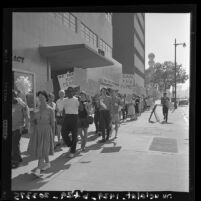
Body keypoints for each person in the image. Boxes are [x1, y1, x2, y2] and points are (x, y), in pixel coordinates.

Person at [27, 91, 55, 176]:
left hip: (46, 131)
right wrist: (30, 117)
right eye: (39, 96)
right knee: (42, 148)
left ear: (46, 98)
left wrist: (52, 137)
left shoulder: (50, 110)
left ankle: (38, 169)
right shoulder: (36, 109)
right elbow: (33, 121)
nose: (40, 98)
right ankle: (47, 163)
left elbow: (53, 124)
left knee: (42, 150)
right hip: (38, 131)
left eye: (42, 96)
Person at [12, 90, 30, 168]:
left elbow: (27, 116)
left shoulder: (21, 104)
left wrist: (26, 126)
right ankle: (18, 158)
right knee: (15, 144)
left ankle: (15, 161)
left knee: (14, 144)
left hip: (19, 127)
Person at [61, 87, 79, 158]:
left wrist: (79, 101)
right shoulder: (64, 100)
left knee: (74, 135)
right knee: (63, 132)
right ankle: (70, 145)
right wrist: (63, 118)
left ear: (73, 92)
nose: (70, 92)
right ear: (67, 92)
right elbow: (63, 110)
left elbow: (80, 108)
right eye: (68, 91)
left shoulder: (76, 99)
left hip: (74, 117)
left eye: (71, 91)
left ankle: (72, 151)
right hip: (67, 117)